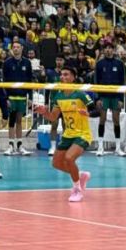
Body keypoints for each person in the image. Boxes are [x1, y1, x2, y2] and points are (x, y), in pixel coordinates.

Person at [36, 67, 93, 202]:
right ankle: (79, 175)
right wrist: (44, 112)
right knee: (56, 163)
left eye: (66, 75)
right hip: (68, 134)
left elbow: (95, 110)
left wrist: (88, 113)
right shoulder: (59, 96)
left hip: (82, 134)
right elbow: (53, 117)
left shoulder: (80, 94)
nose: (63, 77)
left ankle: (77, 190)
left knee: (69, 158)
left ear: (73, 77)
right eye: (61, 75)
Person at [93, 43, 126, 156]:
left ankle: (118, 148)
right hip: (103, 96)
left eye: (110, 48)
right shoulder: (99, 64)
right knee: (102, 119)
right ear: (103, 50)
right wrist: (97, 98)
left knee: (116, 120)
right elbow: (96, 81)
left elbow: (122, 81)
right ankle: (100, 147)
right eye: (106, 48)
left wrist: (121, 98)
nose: (108, 50)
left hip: (116, 96)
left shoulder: (119, 64)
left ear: (113, 50)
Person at [1, 42, 33, 156]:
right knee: (11, 121)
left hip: (22, 96)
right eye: (14, 47)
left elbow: (30, 81)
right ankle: (10, 145)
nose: (16, 49)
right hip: (11, 96)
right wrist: (6, 98)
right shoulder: (7, 63)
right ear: (11, 49)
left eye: (18, 47)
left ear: (22, 48)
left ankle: (19, 145)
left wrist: (30, 97)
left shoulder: (27, 63)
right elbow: (4, 81)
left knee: (19, 120)